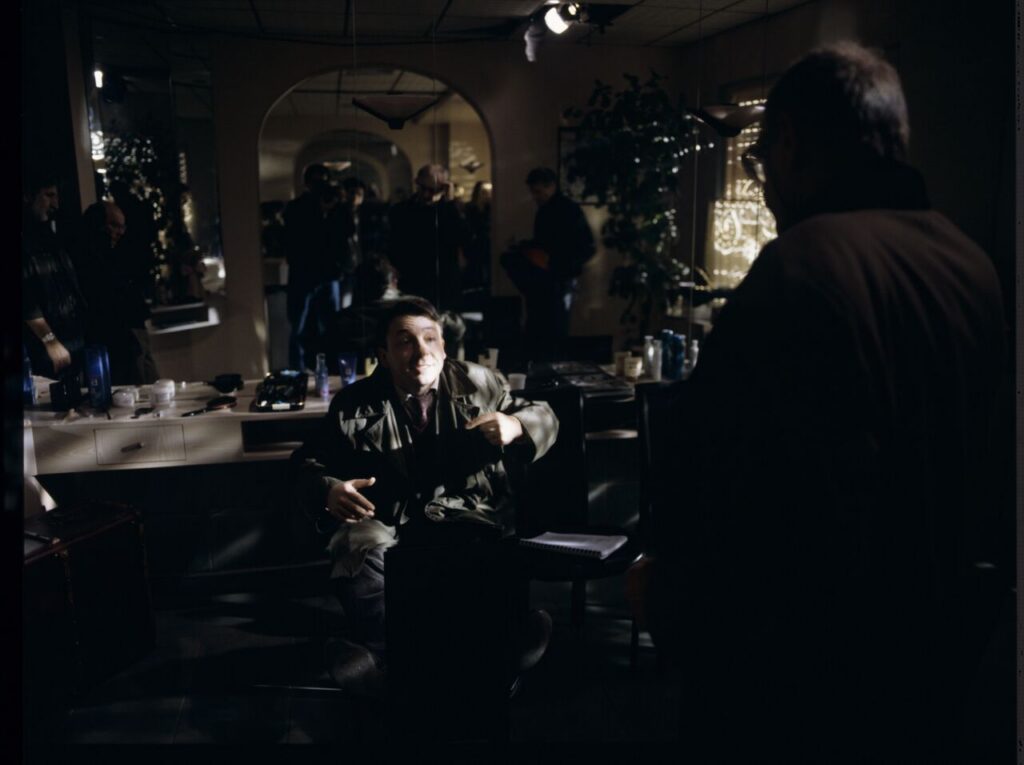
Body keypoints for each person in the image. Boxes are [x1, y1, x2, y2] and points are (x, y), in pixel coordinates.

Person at [625, 42, 1008, 760]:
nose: (764, 185)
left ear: (792, 143)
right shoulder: (969, 260)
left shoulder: (802, 266)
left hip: (798, 671)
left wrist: (670, 597)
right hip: (929, 652)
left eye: (762, 158)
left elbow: (741, 489)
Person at [291, 296, 559, 691]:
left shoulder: (481, 382)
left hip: (463, 513)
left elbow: (546, 415)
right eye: (405, 341)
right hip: (386, 520)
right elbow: (306, 462)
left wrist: (516, 424)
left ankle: (501, 649)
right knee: (355, 546)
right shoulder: (352, 404)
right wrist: (329, 489)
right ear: (383, 354)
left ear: (444, 347)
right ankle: (381, 660)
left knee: (484, 552)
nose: (421, 351)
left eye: (430, 339)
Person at [504, 167, 595, 360]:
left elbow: (586, 248)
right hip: (547, 280)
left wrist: (555, 264)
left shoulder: (567, 210)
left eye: (538, 191)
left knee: (552, 331)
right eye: (533, 192)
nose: (535, 197)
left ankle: (548, 376)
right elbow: (546, 244)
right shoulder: (547, 210)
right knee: (545, 330)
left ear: (551, 186)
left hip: (558, 281)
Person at [72, 201, 158, 384]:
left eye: (122, 226)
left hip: (130, 330)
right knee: (140, 382)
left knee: (146, 380)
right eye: (115, 225)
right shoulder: (93, 258)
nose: (120, 232)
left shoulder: (113, 253)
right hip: (121, 335)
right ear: (99, 225)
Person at [22, 174, 89, 381]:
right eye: (48, 195)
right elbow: (25, 299)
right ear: (27, 197)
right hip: (46, 345)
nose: (55, 204)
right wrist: (50, 341)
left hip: (70, 337)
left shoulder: (48, 236)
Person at [283, 164, 344, 370]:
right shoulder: (296, 207)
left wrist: (333, 209)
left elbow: (343, 234)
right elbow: (295, 240)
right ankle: (298, 372)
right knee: (299, 329)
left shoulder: (334, 206)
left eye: (324, 181)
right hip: (305, 274)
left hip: (327, 274)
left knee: (331, 327)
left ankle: (330, 368)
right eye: (317, 181)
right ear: (308, 183)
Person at [387, 164, 467, 312]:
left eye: (432, 190)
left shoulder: (450, 211)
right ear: (417, 183)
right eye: (423, 188)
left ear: (443, 188)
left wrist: (449, 204)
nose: (426, 194)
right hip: (411, 281)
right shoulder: (400, 211)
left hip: (444, 283)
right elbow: (392, 246)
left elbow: (461, 238)